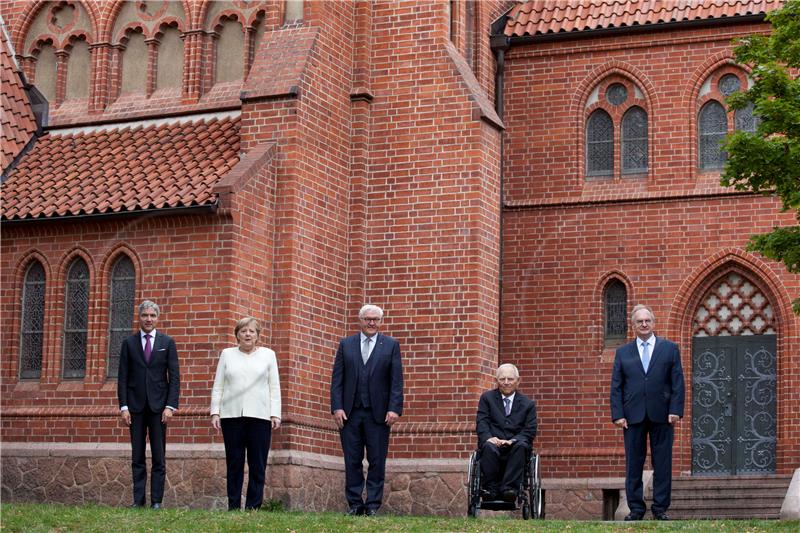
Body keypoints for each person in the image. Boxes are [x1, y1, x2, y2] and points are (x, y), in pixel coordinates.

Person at [610, 304, 685, 521]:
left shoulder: (669, 348)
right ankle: (636, 509)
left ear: (653, 323)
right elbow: (617, 385)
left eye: (647, 321)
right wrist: (618, 414)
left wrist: (675, 410)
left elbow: (677, 382)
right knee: (634, 462)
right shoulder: (623, 352)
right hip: (632, 417)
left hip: (663, 414)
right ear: (633, 326)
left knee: (662, 462)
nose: (644, 324)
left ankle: (660, 509)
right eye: (639, 321)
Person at [330, 304, 404, 516]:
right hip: (350, 414)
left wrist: (394, 409)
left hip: (379, 414)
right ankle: (354, 504)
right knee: (352, 459)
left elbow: (396, 381)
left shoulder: (390, 345)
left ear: (381, 321)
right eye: (367, 319)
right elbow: (337, 379)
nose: (371, 323)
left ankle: (372, 505)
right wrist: (337, 407)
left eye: (376, 319)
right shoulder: (346, 344)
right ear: (360, 320)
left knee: (376, 460)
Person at [210, 317, 281, 511]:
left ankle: (253, 507)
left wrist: (275, 414)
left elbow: (273, 386)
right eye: (243, 331)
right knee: (234, 463)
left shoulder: (268, 355)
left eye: (251, 331)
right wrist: (215, 412)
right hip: (231, 416)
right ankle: (233, 506)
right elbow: (219, 385)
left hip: (260, 416)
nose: (247, 334)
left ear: (257, 335)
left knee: (257, 464)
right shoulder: (227, 354)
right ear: (237, 335)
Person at [117, 300, 180, 509]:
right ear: (140, 317)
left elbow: (175, 377)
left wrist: (170, 406)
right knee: (137, 456)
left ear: (157, 318)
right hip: (134, 408)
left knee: (159, 457)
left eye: (152, 315)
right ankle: (138, 500)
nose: (148, 319)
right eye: (145, 315)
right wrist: (123, 407)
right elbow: (123, 378)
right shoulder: (129, 343)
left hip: (159, 408)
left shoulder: (167, 342)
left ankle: (156, 501)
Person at [476, 363, 538, 502]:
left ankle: (510, 490)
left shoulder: (528, 404)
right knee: (487, 446)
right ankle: (490, 490)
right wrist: (489, 437)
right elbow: (482, 422)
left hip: (515, 446)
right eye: (502, 379)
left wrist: (512, 441)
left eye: (510, 379)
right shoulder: (487, 398)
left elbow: (530, 430)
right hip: (493, 444)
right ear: (496, 380)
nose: (506, 382)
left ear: (518, 381)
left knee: (521, 446)